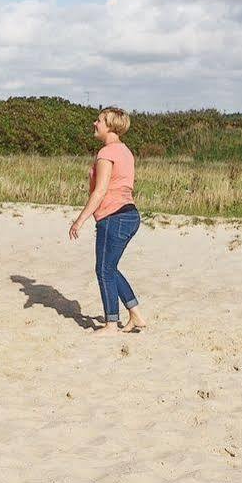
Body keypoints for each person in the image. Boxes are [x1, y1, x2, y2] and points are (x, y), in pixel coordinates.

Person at [70, 106, 147, 333]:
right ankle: (135, 315)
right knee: (110, 267)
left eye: (99, 120)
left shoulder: (107, 153)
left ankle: (111, 323)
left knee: (103, 269)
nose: (95, 123)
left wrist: (80, 220)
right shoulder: (126, 151)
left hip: (114, 217)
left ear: (110, 126)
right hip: (130, 215)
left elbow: (100, 191)